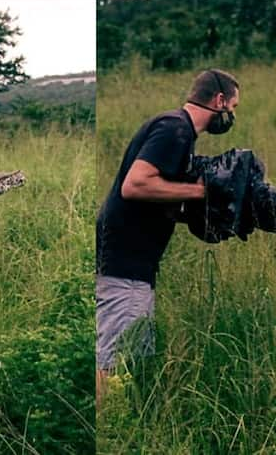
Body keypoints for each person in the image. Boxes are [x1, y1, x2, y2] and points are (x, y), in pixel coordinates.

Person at [95, 69, 239, 407]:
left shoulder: (179, 132)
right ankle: (108, 426)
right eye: (233, 106)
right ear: (219, 101)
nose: (232, 115)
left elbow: (157, 194)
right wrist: (200, 191)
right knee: (114, 359)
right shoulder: (175, 129)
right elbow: (135, 185)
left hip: (134, 261)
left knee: (131, 351)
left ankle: (119, 419)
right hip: (125, 261)